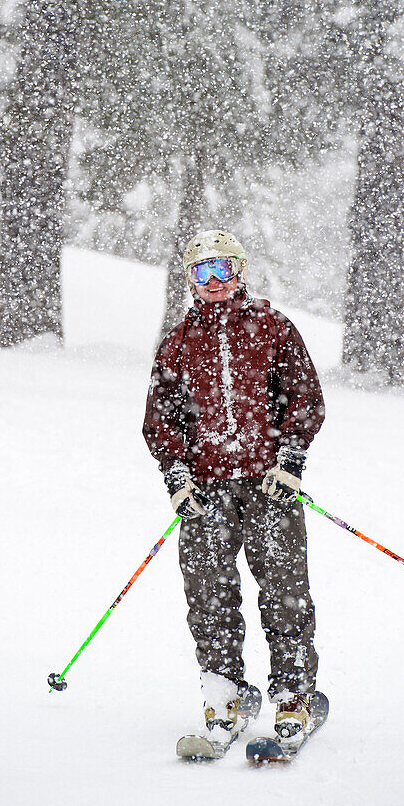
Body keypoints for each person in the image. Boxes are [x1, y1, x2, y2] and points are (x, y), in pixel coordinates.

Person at [143, 229, 325, 746]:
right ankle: (226, 695)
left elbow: (304, 397)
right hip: (205, 492)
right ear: (191, 280)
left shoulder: (272, 328)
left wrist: (291, 461)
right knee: (208, 595)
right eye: (203, 272)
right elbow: (161, 420)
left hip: (271, 486)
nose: (215, 281)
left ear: (240, 271)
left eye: (224, 268)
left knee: (285, 592)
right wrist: (176, 478)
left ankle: (295, 696)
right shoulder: (179, 344)